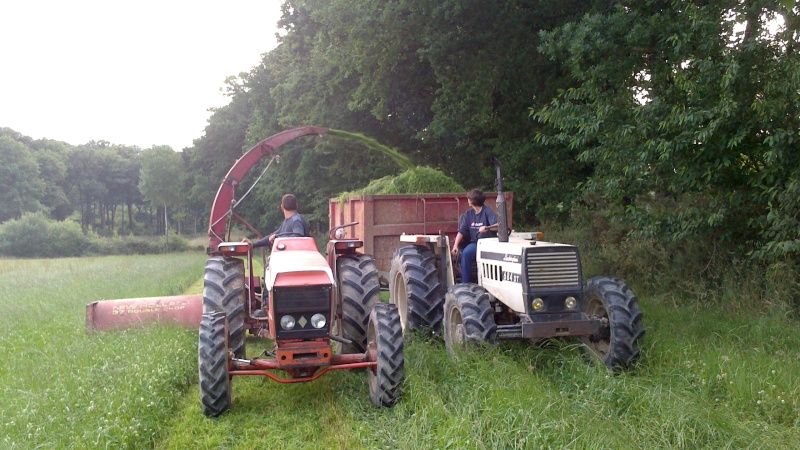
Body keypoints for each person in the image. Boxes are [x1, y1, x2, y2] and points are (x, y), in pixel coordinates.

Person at [451, 189, 498, 284]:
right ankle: (466, 283)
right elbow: (462, 231)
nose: (467, 200)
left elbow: (498, 226)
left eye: (469, 198)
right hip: (476, 243)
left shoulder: (487, 212)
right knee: (466, 253)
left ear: (473, 200)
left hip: (487, 243)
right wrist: (455, 246)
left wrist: (487, 228)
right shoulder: (468, 214)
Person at [244, 194, 310, 248]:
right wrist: (253, 244)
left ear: (282, 207)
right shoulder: (286, 223)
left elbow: (298, 236)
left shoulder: (296, 220)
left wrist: (278, 239)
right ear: (296, 206)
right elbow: (272, 236)